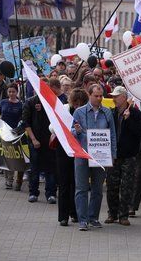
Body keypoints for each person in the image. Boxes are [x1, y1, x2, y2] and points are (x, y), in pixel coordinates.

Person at [72, 84, 117, 231]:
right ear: (89, 95)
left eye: (101, 96)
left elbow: (112, 134)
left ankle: (93, 217)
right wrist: (77, 131)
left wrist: (113, 154)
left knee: (97, 188)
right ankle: (82, 220)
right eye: (96, 96)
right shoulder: (79, 112)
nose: (99, 98)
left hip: (101, 156)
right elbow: (71, 132)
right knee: (81, 188)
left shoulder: (107, 112)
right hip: (83, 155)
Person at [105, 86, 141, 226]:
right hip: (114, 155)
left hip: (128, 155)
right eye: (113, 96)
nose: (114, 99)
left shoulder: (135, 113)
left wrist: (129, 120)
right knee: (112, 185)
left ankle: (123, 215)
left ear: (124, 97)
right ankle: (112, 213)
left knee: (127, 186)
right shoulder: (112, 113)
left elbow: (140, 132)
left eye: (116, 96)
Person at [23, 78, 65, 204]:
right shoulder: (30, 102)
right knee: (34, 168)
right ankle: (33, 193)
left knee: (51, 169)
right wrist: (34, 139)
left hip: (51, 142)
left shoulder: (54, 102)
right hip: (35, 142)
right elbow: (26, 123)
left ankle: (51, 194)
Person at [55, 88, 88, 226]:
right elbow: (53, 127)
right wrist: (70, 130)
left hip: (79, 150)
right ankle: (63, 216)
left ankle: (75, 213)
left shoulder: (85, 112)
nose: (77, 106)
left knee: (77, 183)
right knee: (64, 183)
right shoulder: (63, 109)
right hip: (64, 150)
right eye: (75, 103)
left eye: (80, 103)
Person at [0, 83, 24, 190]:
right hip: (4, 133)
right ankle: (8, 179)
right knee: (7, 156)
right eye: (9, 92)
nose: (11, 94)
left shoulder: (21, 104)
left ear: (17, 92)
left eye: (13, 91)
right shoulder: (3, 102)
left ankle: (17, 179)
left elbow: (22, 119)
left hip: (16, 134)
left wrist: (17, 130)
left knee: (14, 156)